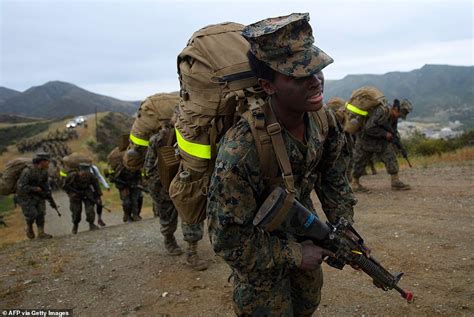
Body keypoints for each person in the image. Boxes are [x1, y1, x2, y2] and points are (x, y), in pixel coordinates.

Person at [207, 13, 357, 316]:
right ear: (268, 85)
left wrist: (344, 227)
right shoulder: (242, 149)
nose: (315, 81)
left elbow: (333, 177)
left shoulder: (323, 120)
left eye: (316, 69)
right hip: (259, 252)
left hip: (306, 231)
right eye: (299, 75)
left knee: (306, 304)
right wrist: (294, 254)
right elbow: (227, 239)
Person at [352, 98, 412, 192]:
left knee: (390, 157)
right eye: (399, 114)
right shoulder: (381, 111)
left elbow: (394, 131)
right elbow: (369, 128)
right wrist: (385, 134)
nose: (399, 117)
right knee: (360, 161)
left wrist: (398, 145)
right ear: (395, 108)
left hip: (380, 142)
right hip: (366, 140)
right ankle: (355, 183)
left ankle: (395, 182)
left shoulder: (393, 118)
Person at [16, 152, 54, 239]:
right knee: (32, 214)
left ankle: (41, 233)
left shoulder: (44, 172)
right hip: (26, 197)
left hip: (38, 196)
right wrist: (35, 189)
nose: (48, 163)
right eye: (47, 161)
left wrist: (48, 194)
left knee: (41, 213)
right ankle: (29, 228)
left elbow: (45, 184)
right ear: (41, 162)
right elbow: (21, 187)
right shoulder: (28, 171)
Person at [63, 163, 102, 234]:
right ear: (79, 171)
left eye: (86, 171)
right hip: (75, 194)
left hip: (87, 192)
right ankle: (75, 225)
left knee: (90, 209)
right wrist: (71, 194)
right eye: (83, 171)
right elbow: (65, 186)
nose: (84, 173)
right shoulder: (72, 176)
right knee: (76, 211)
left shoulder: (91, 176)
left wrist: (98, 197)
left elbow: (96, 186)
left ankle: (91, 224)